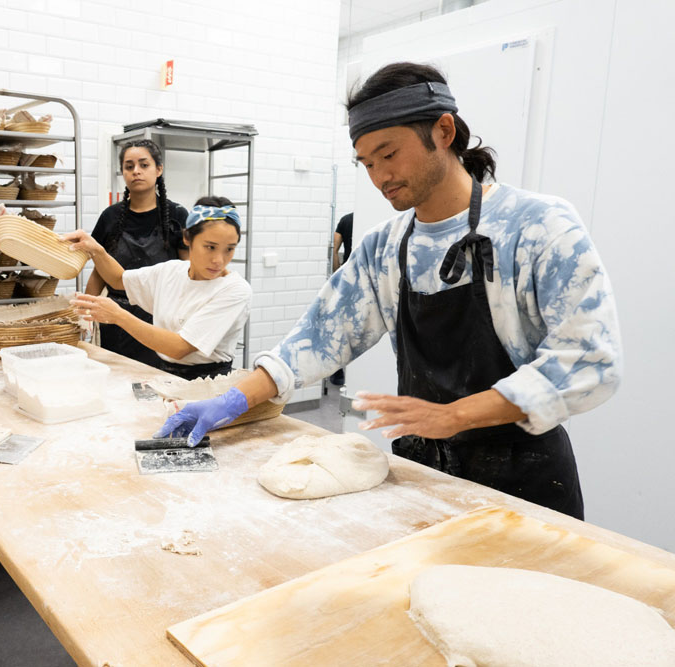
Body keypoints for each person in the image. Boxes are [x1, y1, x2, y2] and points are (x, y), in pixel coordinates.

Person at [156, 62, 623, 520]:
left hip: (525, 479)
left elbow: (589, 360)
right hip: (425, 469)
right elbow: (319, 335)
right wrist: (233, 400)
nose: (380, 177)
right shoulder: (386, 246)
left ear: (443, 131)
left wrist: (456, 415)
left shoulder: (537, 226)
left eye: (389, 154)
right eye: (367, 163)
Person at [64, 197, 251, 380]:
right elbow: (119, 279)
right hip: (164, 376)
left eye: (229, 249)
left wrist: (118, 316)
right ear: (187, 238)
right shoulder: (171, 271)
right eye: (210, 247)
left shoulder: (234, 290)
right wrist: (96, 250)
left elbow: (179, 348)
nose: (219, 260)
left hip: (208, 385)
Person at [86, 139, 189, 368]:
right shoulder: (110, 217)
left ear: (158, 169)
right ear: (123, 172)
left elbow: (188, 271)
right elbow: (99, 272)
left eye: (144, 165)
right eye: (129, 166)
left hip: (160, 319)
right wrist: (84, 315)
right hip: (114, 319)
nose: (136, 171)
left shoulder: (177, 215)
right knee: (116, 379)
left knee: (157, 381)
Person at [329, 211, 354, 385]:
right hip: (365, 279)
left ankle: (337, 372)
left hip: (347, 278)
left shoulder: (346, 220)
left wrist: (337, 273)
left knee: (340, 326)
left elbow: (334, 250)